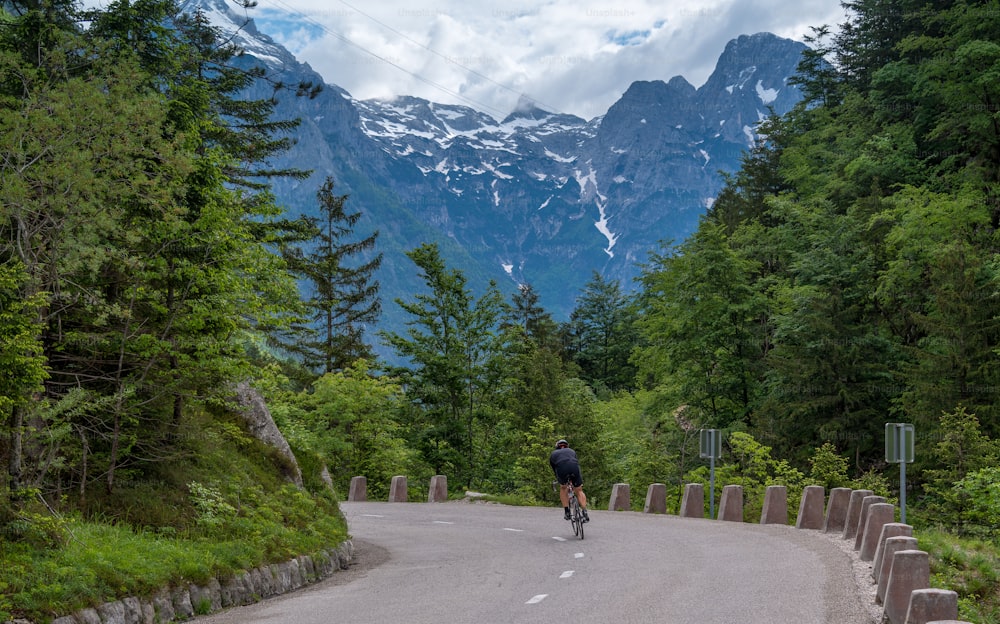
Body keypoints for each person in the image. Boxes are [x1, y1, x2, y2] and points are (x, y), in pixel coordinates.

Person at [549, 439, 589, 522]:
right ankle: (585, 512)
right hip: (574, 467)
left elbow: (555, 469)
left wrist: (559, 479)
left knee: (563, 488)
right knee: (579, 490)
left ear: (557, 447)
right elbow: (576, 462)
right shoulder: (572, 451)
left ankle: (567, 511)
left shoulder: (553, 454)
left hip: (562, 469)